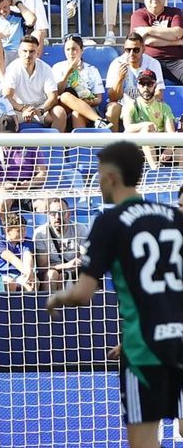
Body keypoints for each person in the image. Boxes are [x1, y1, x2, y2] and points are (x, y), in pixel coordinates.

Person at [48, 141, 183, 448]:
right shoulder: (175, 217)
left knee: (145, 439)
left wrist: (56, 298)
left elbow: (83, 293)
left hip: (145, 348)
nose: (95, 180)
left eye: (98, 173)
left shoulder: (110, 221)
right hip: (180, 339)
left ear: (110, 175)